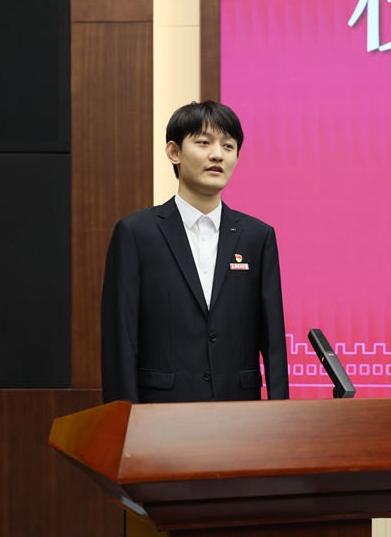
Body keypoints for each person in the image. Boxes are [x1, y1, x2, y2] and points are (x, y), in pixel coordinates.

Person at [101, 100, 289, 403]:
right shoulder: (136, 233)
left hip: (240, 411)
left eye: (228, 146)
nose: (217, 155)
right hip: (160, 411)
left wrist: (281, 414)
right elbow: (119, 339)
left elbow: (274, 340)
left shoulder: (257, 236)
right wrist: (124, 418)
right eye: (204, 142)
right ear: (174, 152)